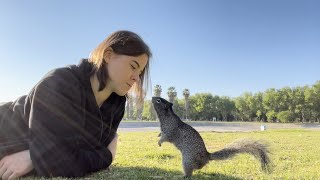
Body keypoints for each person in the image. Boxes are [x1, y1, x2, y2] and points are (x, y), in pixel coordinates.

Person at [0, 30, 151, 179]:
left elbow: (76, 152)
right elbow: (58, 165)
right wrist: (108, 156)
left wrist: (36, 156)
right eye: (133, 66)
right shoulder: (60, 83)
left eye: (140, 72)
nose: (136, 79)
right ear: (108, 55)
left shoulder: (117, 103)